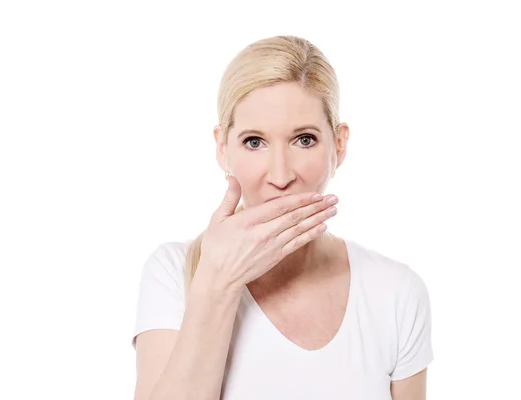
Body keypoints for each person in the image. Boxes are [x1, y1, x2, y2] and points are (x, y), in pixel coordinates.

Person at [132, 35, 434, 400]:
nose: (280, 175)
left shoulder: (397, 292)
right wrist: (219, 281)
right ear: (222, 148)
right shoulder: (173, 273)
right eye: (254, 142)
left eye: (303, 140)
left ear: (339, 146)